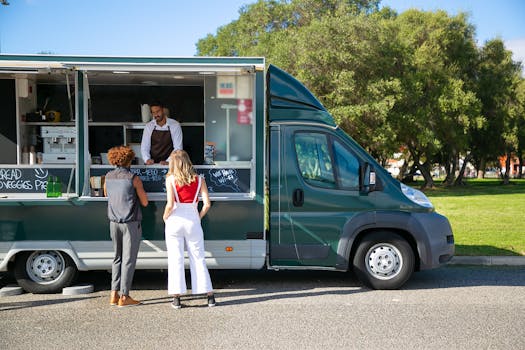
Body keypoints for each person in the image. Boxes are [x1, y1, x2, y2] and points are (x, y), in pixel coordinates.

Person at [163, 150, 215, 309]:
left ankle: (177, 298)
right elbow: (207, 204)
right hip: (193, 219)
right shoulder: (200, 180)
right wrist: (198, 216)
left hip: (175, 220)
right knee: (198, 257)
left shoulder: (170, 179)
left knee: (175, 258)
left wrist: (165, 217)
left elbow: (170, 204)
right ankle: (209, 296)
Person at [104, 145, 149, 307]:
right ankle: (125, 297)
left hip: (113, 223)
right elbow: (144, 202)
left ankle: (113, 294)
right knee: (128, 260)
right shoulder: (133, 178)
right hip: (130, 224)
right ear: (129, 160)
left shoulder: (108, 176)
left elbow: (106, 194)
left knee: (117, 258)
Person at [141, 101, 183, 165]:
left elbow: (178, 148)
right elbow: (144, 146)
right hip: (153, 164)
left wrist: (169, 161)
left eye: (158, 111)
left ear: (163, 110)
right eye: (153, 112)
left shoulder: (175, 125)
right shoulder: (149, 126)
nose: (156, 115)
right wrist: (147, 159)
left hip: (171, 164)